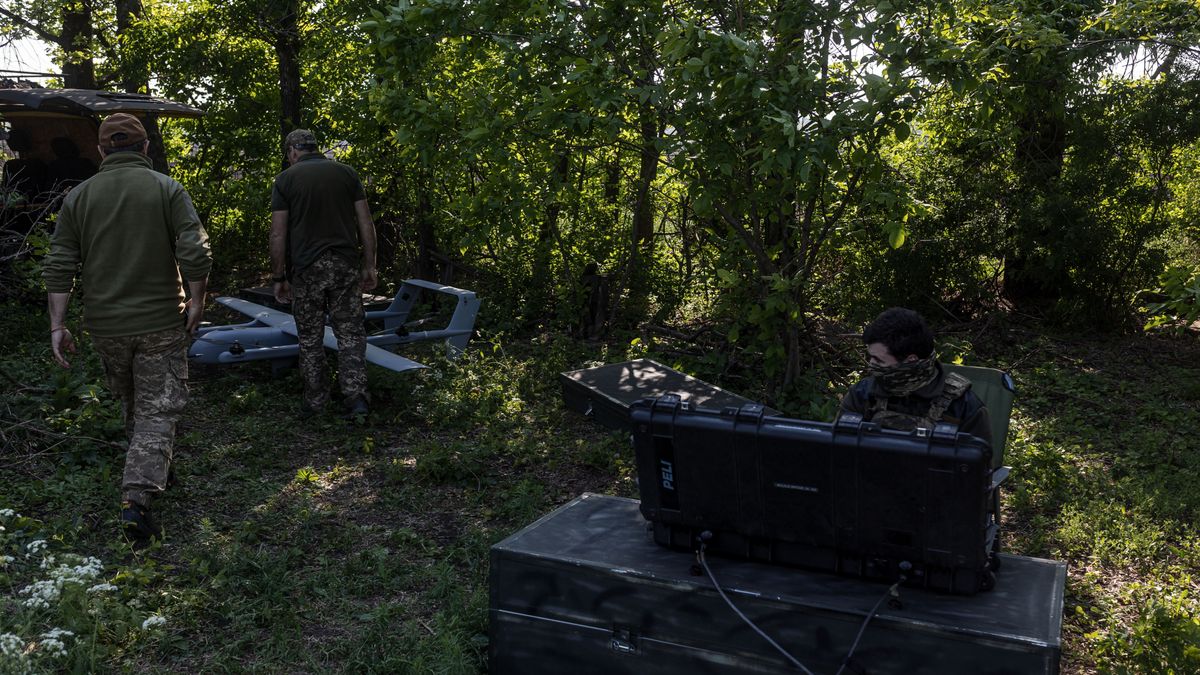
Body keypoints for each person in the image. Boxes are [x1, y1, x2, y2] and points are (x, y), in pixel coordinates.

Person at [42, 113, 211, 542]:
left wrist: (57, 324)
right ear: (145, 147)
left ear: (101, 151)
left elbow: (61, 262)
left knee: (133, 400)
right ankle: (137, 498)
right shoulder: (166, 189)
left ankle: (153, 467)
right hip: (158, 320)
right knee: (158, 409)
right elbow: (194, 248)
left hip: (105, 325)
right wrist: (196, 298)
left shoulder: (78, 197)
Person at [269, 128, 378, 418]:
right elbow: (365, 222)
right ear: (315, 148)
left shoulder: (286, 180)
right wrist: (369, 263)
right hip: (345, 265)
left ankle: (316, 402)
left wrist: (279, 277)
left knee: (310, 337)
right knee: (351, 332)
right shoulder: (346, 173)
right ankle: (357, 400)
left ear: (292, 152)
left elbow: (278, 234)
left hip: (307, 269)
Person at [839, 307, 992, 446]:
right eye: (870, 357)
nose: (871, 365)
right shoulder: (863, 393)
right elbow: (838, 450)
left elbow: (978, 468)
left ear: (910, 360)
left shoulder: (963, 407)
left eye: (879, 360)